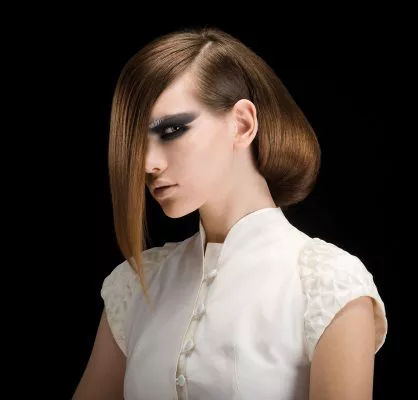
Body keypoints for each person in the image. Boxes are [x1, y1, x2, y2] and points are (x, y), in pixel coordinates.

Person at [73, 26, 388, 400]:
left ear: (242, 124)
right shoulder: (136, 286)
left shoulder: (328, 286)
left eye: (171, 130)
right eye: (136, 141)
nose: (147, 163)